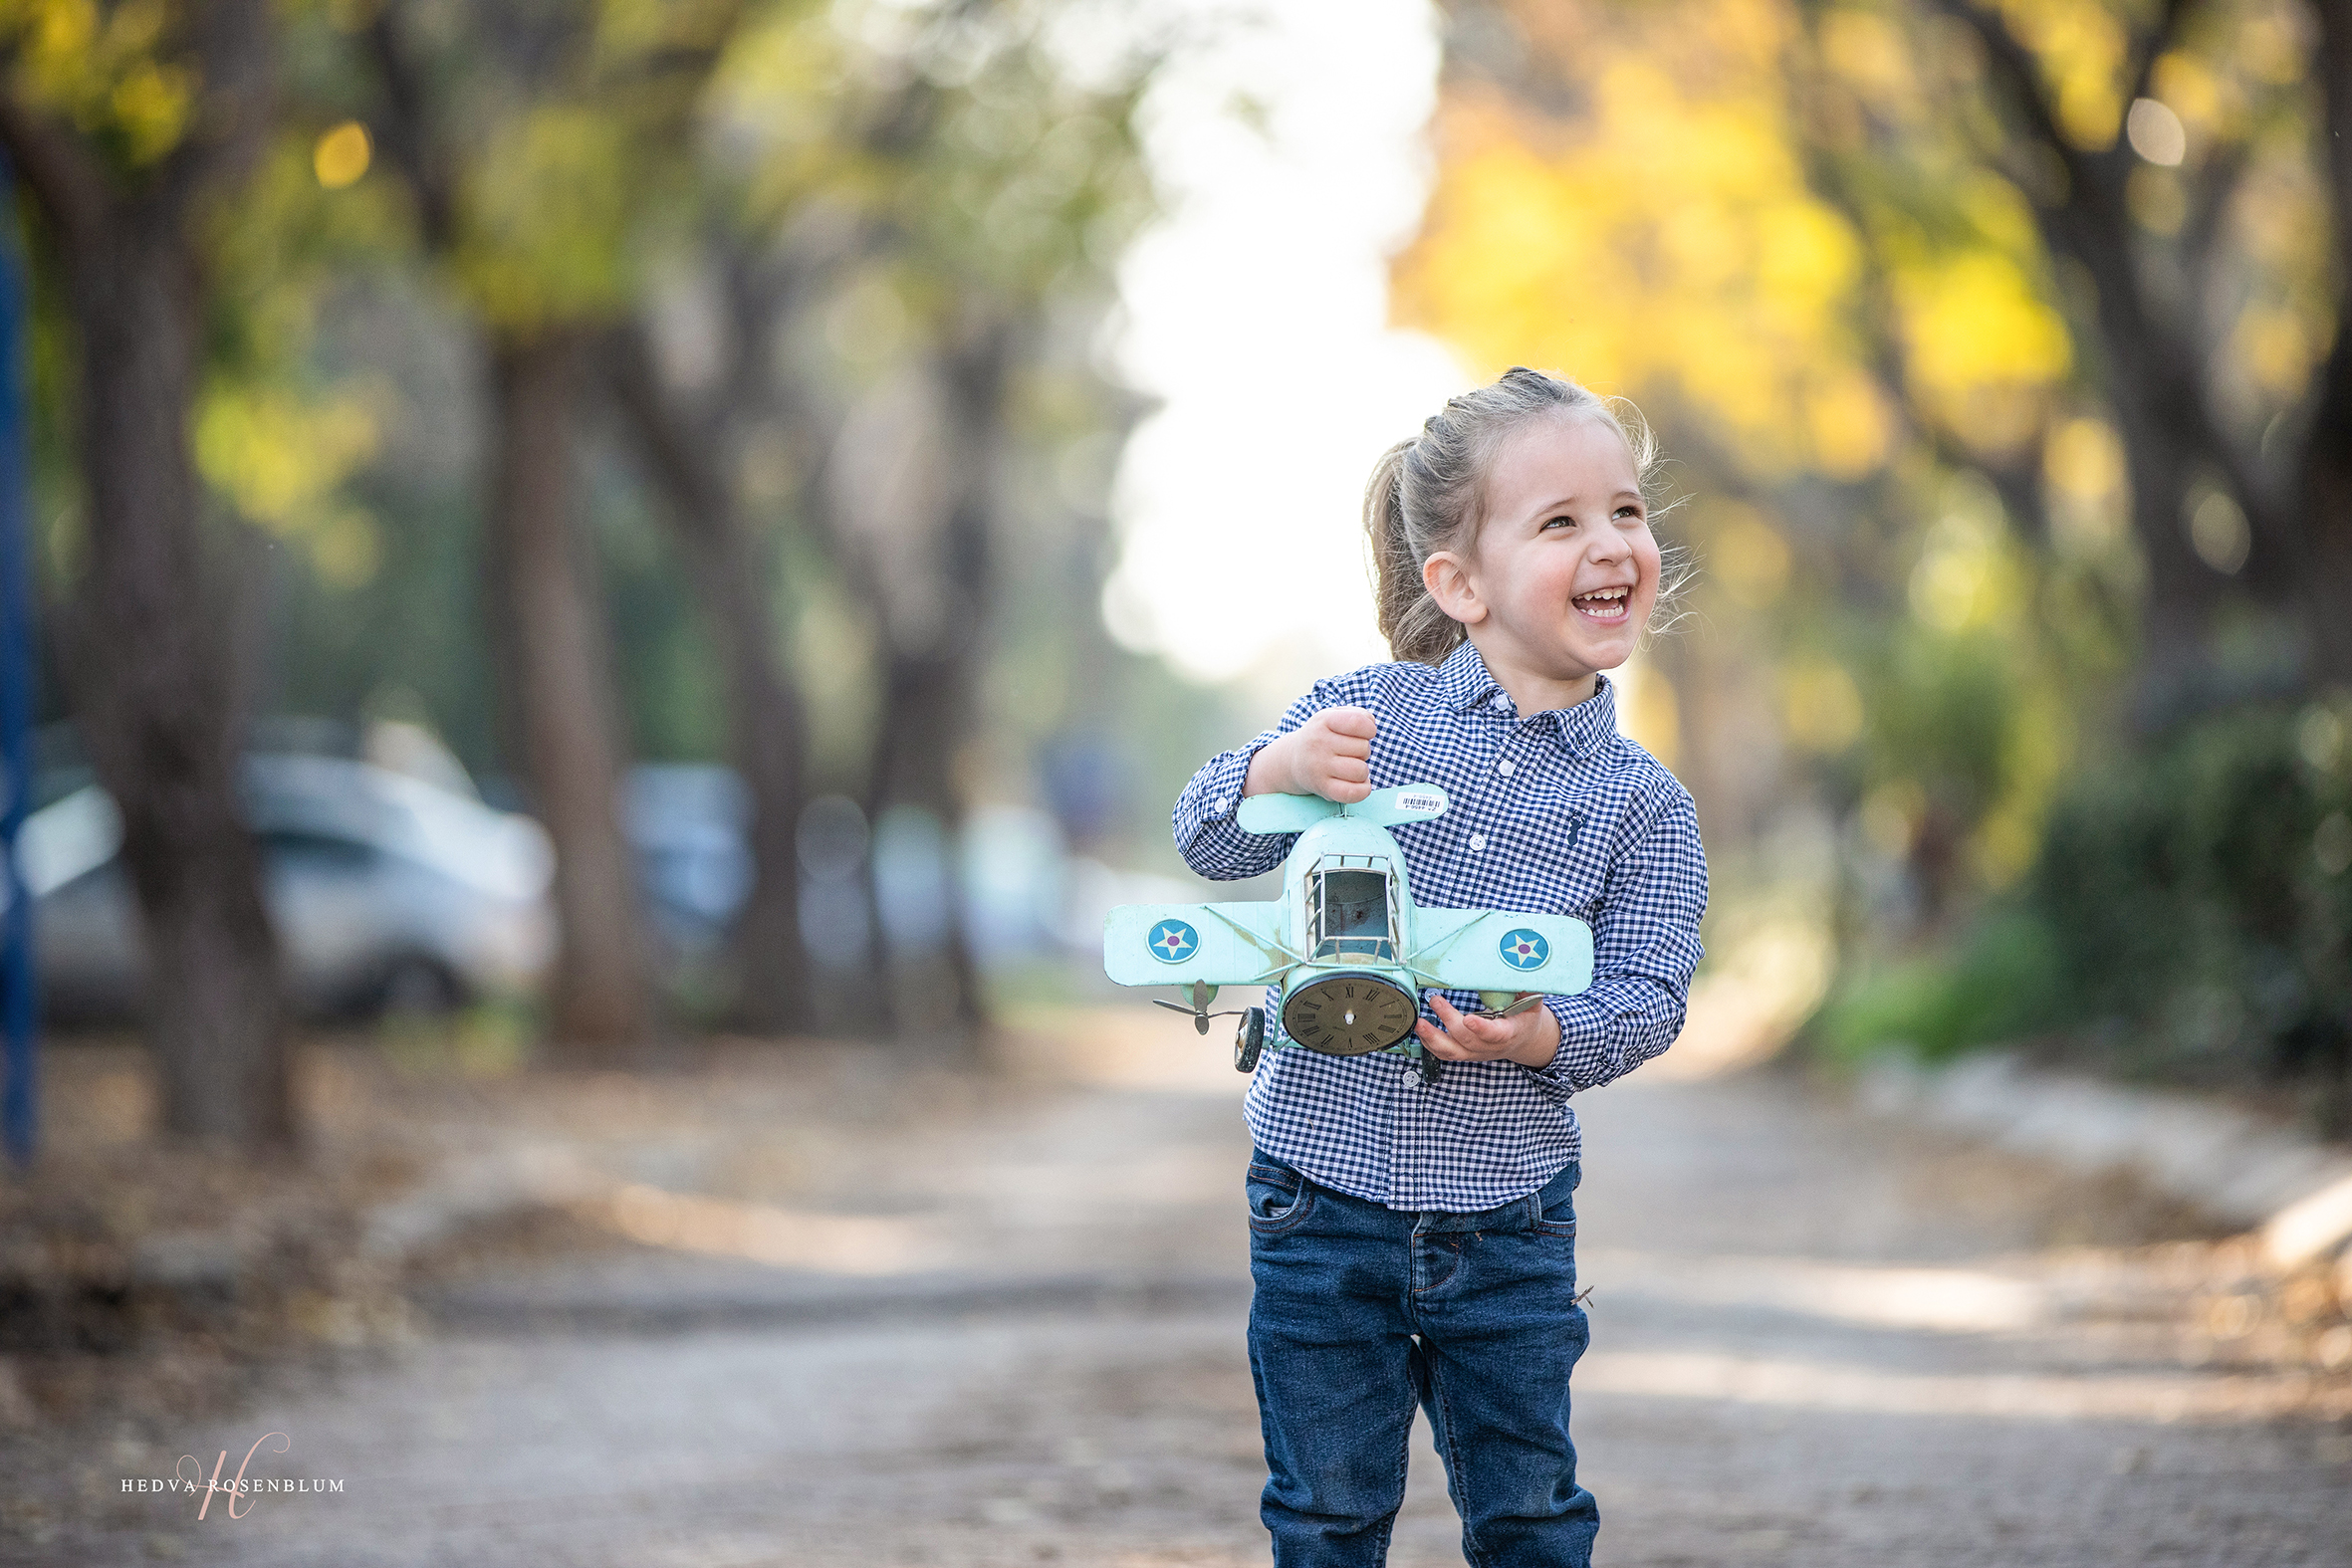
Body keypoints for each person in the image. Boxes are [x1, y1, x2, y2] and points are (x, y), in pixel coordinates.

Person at [1170, 366, 1709, 1567]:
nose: (1613, 543)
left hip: (1509, 1219)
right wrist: (1273, 770)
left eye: (1625, 511)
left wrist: (1547, 1038)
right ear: (1458, 584)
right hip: (1318, 1197)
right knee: (1323, 1514)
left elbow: (1649, 990)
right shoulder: (1362, 717)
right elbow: (1204, 835)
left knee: (1529, 1517)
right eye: (1560, 521)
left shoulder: (1643, 805)